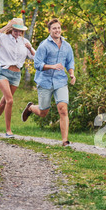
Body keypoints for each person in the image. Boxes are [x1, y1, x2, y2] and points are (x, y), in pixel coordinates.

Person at [21, 18, 76, 146]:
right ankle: (30, 108)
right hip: (45, 81)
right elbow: (37, 64)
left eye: (58, 28)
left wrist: (72, 74)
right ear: (50, 31)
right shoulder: (44, 45)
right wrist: (52, 66)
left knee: (63, 109)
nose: (57, 30)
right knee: (43, 112)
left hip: (61, 81)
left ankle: (65, 141)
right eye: (54, 28)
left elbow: (70, 62)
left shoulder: (67, 46)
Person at [0, 18, 36, 139]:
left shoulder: (24, 41)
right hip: (3, 72)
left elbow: (36, 57)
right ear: (11, 29)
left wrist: (30, 48)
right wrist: (6, 26)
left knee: (3, 102)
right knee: (10, 100)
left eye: (19, 31)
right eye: (15, 30)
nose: (17, 33)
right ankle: (8, 131)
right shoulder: (3, 38)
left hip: (16, 75)